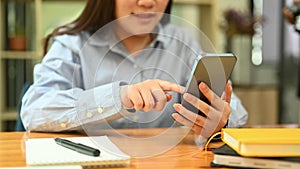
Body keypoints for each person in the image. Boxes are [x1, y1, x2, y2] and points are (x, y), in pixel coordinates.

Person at [21, 0, 248, 139]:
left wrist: (223, 119)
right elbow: (35, 111)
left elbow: (236, 109)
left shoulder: (183, 41)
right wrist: (120, 96)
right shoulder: (71, 43)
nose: (148, 2)